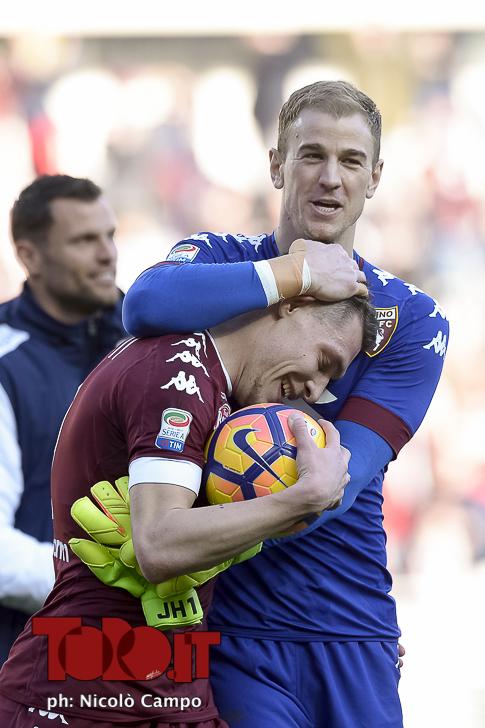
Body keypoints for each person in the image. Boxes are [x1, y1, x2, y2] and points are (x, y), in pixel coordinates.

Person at [121, 80, 449, 727]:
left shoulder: (409, 318)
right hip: (232, 631)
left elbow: (332, 489)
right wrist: (296, 274)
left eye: (351, 160)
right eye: (311, 155)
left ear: (375, 177)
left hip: (349, 625)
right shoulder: (220, 259)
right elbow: (145, 304)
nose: (330, 178)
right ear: (276, 164)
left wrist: (176, 533)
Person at [0, 292, 376, 727]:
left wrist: (342, 632)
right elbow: (159, 545)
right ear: (291, 305)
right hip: (82, 697)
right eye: (325, 361)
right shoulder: (176, 374)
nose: (316, 388)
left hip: (172, 691)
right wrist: (304, 498)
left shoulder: (223, 393)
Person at [0, 174, 125, 663]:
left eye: (109, 235)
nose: (107, 254)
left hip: (137, 656)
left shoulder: (143, 345)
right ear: (29, 256)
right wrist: (106, 585)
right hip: (28, 660)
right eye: (84, 240)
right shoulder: (7, 364)